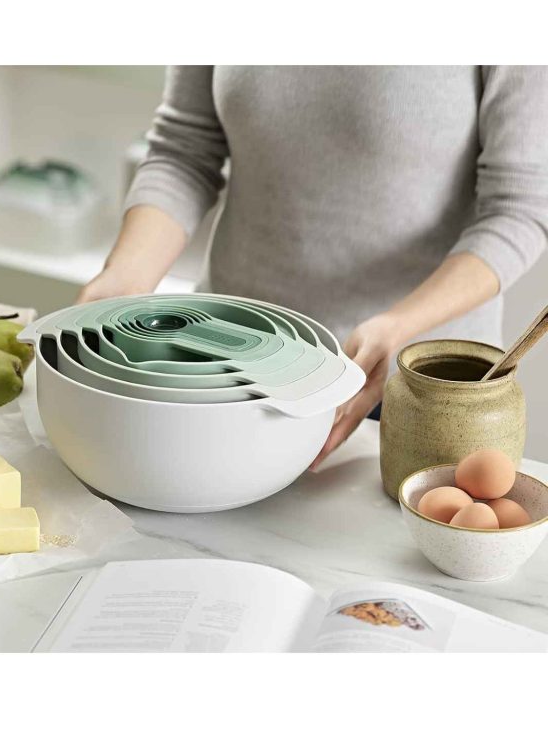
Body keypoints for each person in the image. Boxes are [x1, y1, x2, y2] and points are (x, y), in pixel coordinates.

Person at [78, 66, 548, 465]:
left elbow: (520, 209)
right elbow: (185, 151)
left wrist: (399, 324)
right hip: (222, 364)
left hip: (409, 391)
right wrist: (125, 277)